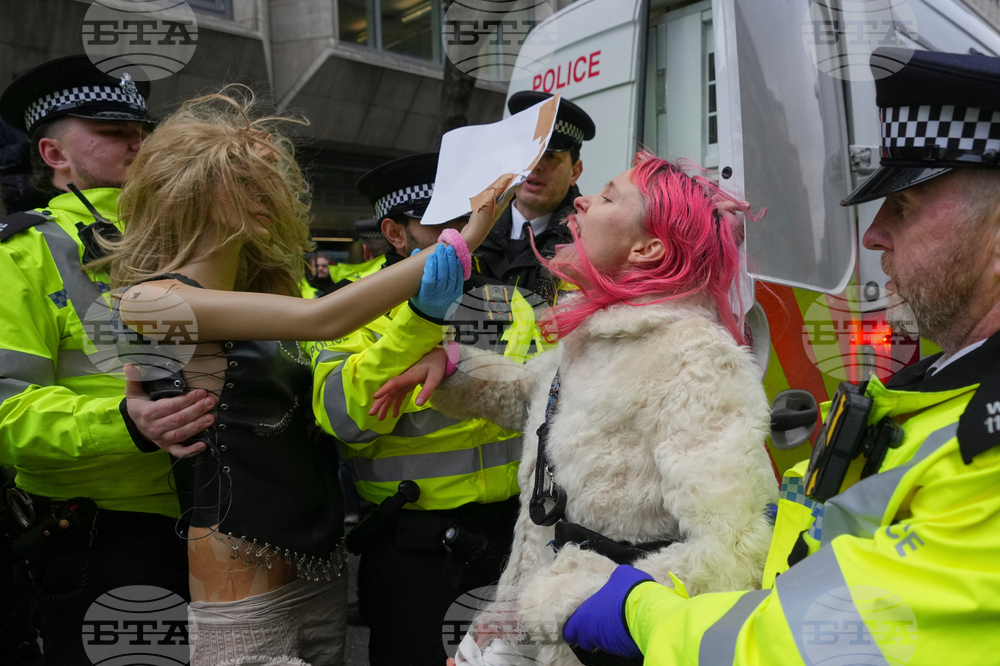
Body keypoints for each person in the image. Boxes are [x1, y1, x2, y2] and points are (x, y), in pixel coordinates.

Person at [559, 48, 1000, 666]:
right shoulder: (941, 384)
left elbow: (820, 642)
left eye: (904, 205)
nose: (873, 235)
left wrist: (644, 611)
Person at [98, 89, 510, 666]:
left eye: (269, 183)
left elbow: (339, 376)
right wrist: (464, 238)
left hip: (319, 563)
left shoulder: (268, 289)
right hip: (239, 568)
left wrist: (442, 355)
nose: (267, 197)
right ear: (197, 188)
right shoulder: (148, 300)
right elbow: (325, 319)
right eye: (246, 181)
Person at [374, 152, 778, 666]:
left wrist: (578, 600)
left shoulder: (694, 359)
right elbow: (541, 405)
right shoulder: (601, 333)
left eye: (608, 196)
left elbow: (738, 552)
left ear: (648, 248)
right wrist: (452, 367)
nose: (582, 201)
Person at [0, 55, 191, 665]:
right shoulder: (21, 254)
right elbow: (7, 412)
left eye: (142, 131)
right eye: (113, 132)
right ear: (54, 153)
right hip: (106, 536)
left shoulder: (190, 237)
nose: (139, 143)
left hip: (219, 515)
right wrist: (125, 423)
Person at [307, 152, 533, 666]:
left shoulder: (510, 302)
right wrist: (419, 324)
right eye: (443, 225)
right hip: (414, 549)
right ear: (394, 232)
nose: (464, 235)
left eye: (467, 219)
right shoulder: (348, 307)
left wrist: (456, 362)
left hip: (510, 537)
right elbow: (343, 419)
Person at [470, 91, 595, 305]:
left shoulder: (588, 237)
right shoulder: (472, 221)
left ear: (575, 172)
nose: (536, 166)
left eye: (551, 156)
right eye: (530, 153)